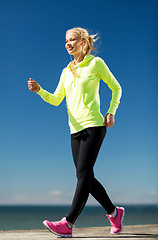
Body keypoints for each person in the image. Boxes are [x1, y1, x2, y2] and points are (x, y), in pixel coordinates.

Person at [27, 27, 124, 238]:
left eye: (72, 40)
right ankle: (114, 213)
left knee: (82, 174)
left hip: (94, 125)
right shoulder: (65, 71)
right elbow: (56, 100)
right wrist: (40, 91)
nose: (68, 43)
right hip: (75, 129)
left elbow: (116, 87)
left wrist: (111, 111)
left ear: (83, 42)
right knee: (86, 176)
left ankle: (68, 223)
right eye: (65, 41)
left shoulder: (96, 63)